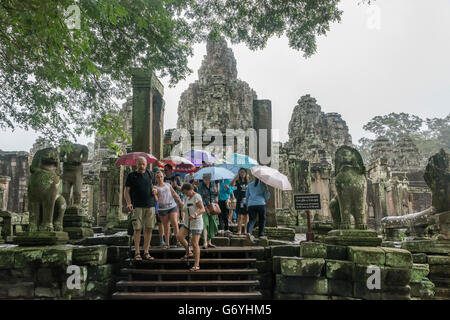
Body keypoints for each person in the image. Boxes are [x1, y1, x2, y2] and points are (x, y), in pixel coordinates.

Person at [124, 157, 158, 261]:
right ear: (136, 164)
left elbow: (154, 187)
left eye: (143, 164)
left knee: (149, 228)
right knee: (137, 229)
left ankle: (146, 252)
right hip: (137, 206)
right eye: (139, 164)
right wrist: (129, 203)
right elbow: (126, 191)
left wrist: (154, 191)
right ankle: (137, 252)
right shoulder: (131, 175)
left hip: (150, 205)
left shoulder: (150, 174)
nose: (141, 166)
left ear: (146, 164)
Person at [177, 183, 205, 271]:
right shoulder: (186, 197)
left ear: (190, 189)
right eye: (184, 193)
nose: (185, 194)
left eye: (186, 192)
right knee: (179, 236)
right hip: (187, 222)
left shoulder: (197, 196)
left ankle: (196, 264)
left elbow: (202, 209)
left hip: (196, 223)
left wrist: (195, 214)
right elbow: (184, 208)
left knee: (194, 243)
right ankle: (188, 252)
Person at [154, 171, 183, 249]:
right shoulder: (155, 188)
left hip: (172, 206)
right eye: (158, 177)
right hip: (162, 209)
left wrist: (180, 201)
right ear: (155, 178)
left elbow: (174, 193)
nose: (160, 178)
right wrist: (154, 194)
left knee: (175, 223)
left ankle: (178, 241)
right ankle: (167, 243)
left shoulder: (168, 184)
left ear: (163, 177)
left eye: (161, 176)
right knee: (166, 226)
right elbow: (156, 199)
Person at [197, 173, 218, 249]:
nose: (206, 180)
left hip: (212, 207)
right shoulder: (200, 185)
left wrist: (216, 192)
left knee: (212, 223)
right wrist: (206, 208)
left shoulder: (213, 184)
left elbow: (215, 195)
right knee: (205, 223)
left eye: (208, 179)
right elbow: (200, 197)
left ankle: (210, 242)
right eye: (205, 179)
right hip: (203, 207)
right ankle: (205, 242)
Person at [231, 168, 250, 235]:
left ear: (246, 173)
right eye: (241, 172)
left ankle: (245, 230)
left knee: (246, 216)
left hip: (247, 200)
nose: (242, 174)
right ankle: (239, 230)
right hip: (239, 200)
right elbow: (232, 184)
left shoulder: (248, 181)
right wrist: (235, 178)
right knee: (239, 215)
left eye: (243, 172)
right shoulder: (238, 181)